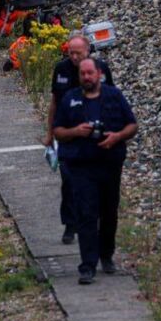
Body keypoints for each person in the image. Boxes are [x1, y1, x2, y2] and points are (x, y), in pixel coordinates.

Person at [52, 57, 137, 285]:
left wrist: (117, 137)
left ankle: (106, 255)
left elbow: (132, 125)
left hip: (109, 165)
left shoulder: (114, 96)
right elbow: (58, 131)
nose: (87, 77)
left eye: (90, 73)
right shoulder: (70, 99)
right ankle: (87, 265)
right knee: (86, 215)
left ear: (99, 73)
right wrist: (76, 132)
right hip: (82, 167)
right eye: (83, 74)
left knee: (109, 213)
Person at [44, 36, 115, 247]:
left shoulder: (100, 70)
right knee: (69, 180)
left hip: (95, 134)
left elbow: (111, 99)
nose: (74, 57)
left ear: (88, 51)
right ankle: (70, 223)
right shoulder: (61, 70)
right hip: (69, 134)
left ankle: (96, 224)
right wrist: (50, 134)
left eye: (78, 53)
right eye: (70, 53)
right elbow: (54, 103)